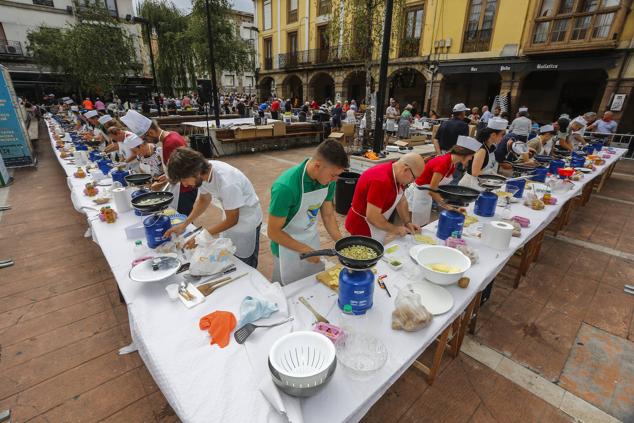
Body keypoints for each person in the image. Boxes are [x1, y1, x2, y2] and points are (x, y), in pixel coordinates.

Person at [163, 148, 263, 268]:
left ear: (196, 172)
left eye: (184, 180)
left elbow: (233, 219)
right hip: (230, 215)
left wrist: (201, 237)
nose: (184, 185)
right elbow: (204, 200)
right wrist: (184, 224)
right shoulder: (203, 174)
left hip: (247, 220)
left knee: (246, 262)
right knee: (229, 254)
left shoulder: (228, 182)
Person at [267, 140, 349, 285]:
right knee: (287, 289)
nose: (335, 179)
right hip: (286, 248)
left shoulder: (328, 181)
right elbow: (273, 232)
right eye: (333, 175)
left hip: (310, 241)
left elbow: (328, 216)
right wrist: (304, 249)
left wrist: (342, 244)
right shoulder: (285, 187)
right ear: (317, 166)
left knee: (312, 284)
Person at [120, 110, 198, 215]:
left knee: (182, 218)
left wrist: (163, 182)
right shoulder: (171, 136)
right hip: (183, 186)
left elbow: (185, 170)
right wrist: (166, 176)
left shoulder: (171, 143)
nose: (147, 142)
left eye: (145, 138)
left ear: (151, 133)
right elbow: (177, 167)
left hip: (184, 188)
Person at [345, 153, 425, 243]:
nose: (413, 181)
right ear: (405, 170)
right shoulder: (381, 181)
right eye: (414, 178)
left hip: (377, 223)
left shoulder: (397, 175)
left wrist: (407, 222)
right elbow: (373, 217)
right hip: (362, 227)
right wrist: (396, 229)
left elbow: (401, 201)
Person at [408, 137, 480, 226]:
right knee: (416, 226)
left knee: (420, 225)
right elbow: (432, 191)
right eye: (471, 156)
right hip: (419, 194)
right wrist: (449, 207)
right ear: (465, 154)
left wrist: (453, 206)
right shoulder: (443, 163)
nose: (471, 159)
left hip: (425, 194)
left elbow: (437, 189)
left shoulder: (451, 164)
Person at [458, 117, 508, 189]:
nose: (503, 137)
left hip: (479, 183)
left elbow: (485, 168)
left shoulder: (490, 147)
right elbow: (475, 172)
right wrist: (494, 178)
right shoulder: (482, 150)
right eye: (502, 134)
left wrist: (496, 175)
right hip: (470, 185)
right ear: (493, 135)